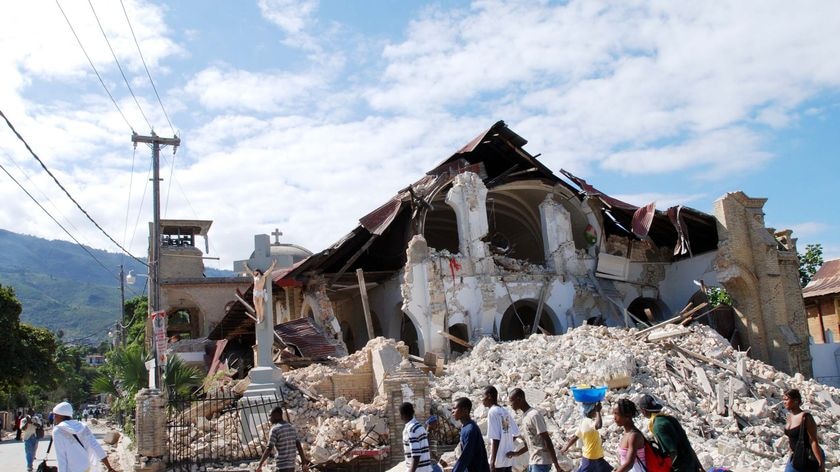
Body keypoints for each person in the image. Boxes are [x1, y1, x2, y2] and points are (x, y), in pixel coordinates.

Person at [639, 394, 701, 472]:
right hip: (691, 464)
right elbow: (686, 443)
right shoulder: (670, 418)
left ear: (644, 411)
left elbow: (672, 452)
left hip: (681, 468)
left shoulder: (658, 426)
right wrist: (699, 465)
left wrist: (667, 469)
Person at [506, 388, 563, 472]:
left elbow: (547, 439)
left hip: (541, 462)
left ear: (519, 399)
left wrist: (557, 465)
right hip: (533, 461)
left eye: (511, 401)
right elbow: (531, 443)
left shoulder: (534, 415)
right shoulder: (525, 416)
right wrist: (516, 453)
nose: (510, 404)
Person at [51, 401, 116, 472]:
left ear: (59, 415)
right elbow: (96, 446)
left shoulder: (58, 431)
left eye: (55, 415)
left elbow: (61, 458)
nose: (54, 418)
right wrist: (109, 467)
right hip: (86, 467)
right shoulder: (82, 426)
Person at [560, 402, 612, 472]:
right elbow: (599, 425)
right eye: (594, 410)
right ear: (590, 411)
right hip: (590, 457)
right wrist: (598, 411)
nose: (595, 412)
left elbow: (575, 437)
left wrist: (565, 448)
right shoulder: (588, 421)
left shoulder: (584, 422)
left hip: (596, 456)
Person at [783, 389, 826, 472]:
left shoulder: (806, 418)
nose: (784, 402)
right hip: (795, 455)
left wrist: (821, 463)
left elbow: (813, 441)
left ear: (796, 401)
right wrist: (790, 453)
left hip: (809, 456)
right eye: (783, 400)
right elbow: (791, 438)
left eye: (787, 399)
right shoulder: (789, 417)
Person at [256, 406, 309, 472]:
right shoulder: (291, 428)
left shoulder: (275, 429)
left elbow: (269, 447)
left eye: (270, 416)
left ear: (276, 415)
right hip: (291, 467)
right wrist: (304, 463)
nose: (269, 418)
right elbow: (299, 446)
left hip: (281, 467)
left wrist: (260, 465)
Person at [483, 386, 520, 472]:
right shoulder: (504, 411)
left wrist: (492, 462)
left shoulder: (492, 412)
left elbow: (495, 438)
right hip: (507, 460)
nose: (482, 399)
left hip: (498, 461)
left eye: (483, 396)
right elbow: (516, 432)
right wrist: (507, 443)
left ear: (489, 396)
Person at [452, 397, 490, 472]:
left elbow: (466, 456)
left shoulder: (470, 429)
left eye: (455, 408)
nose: (452, 411)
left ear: (465, 410)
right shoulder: (466, 427)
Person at [612, 399, 645, 472]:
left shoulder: (634, 436)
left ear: (627, 416)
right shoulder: (627, 433)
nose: (614, 418)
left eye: (616, 414)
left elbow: (629, 464)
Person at [401, 402, 433, 472]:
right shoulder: (420, 427)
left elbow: (416, 455)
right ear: (413, 412)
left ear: (402, 415)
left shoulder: (411, 430)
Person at [244, 259, 277, 323]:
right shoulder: (254, 277)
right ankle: (258, 317)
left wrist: (273, 264)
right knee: (256, 305)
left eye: (255, 271)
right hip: (255, 292)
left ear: (257, 271)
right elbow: (249, 271)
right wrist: (246, 266)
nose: (253, 272)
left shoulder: (263, 276)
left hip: (260, 292)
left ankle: (261, 317)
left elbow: (269, 270)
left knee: (260, 305)